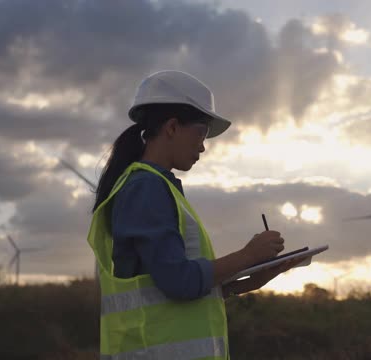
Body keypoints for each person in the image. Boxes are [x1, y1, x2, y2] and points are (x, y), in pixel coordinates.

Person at [87, 70, 302, 359]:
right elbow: (180, 282)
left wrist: (251, 279)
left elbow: (166, 287)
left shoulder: (157, 187)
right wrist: (248, 255)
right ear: (173, 127)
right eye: (200, 133)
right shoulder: (146, 187)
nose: (202, 146)